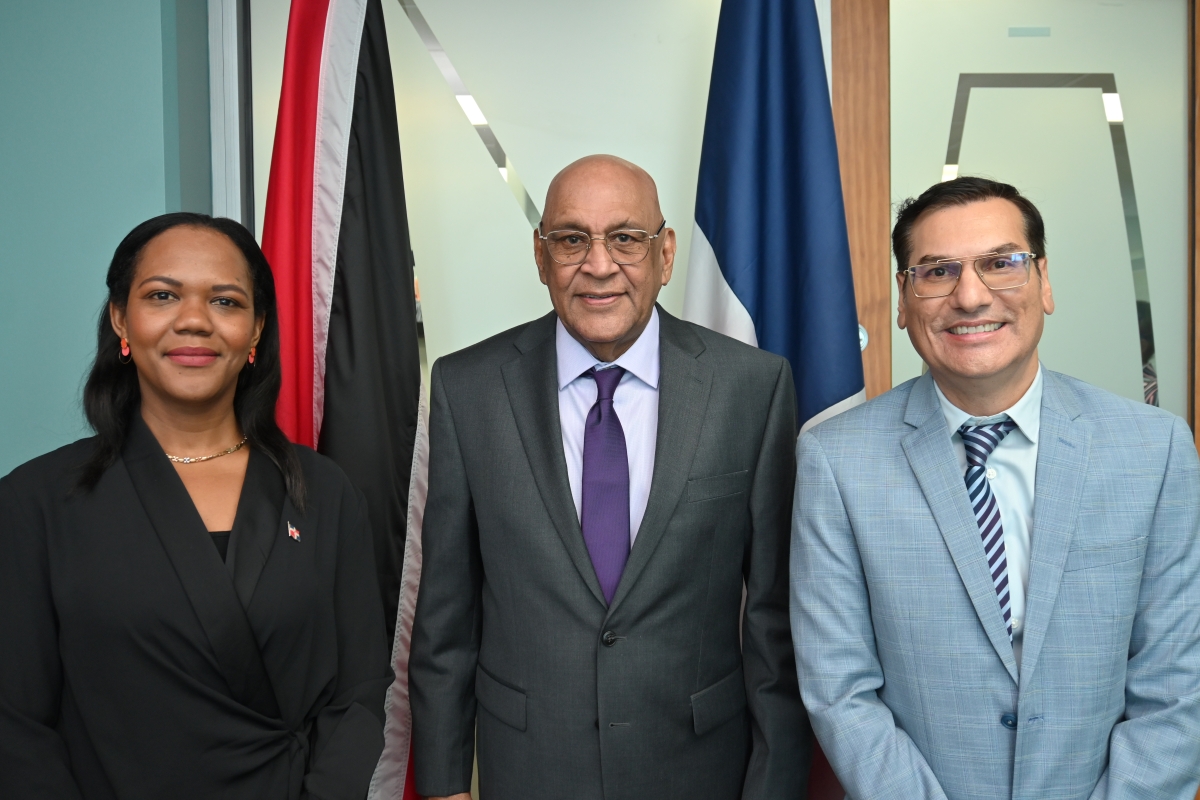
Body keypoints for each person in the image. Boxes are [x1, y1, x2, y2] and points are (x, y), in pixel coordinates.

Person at [409, 155, 811, 800]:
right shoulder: (468, 389)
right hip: (531, 767)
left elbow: (775, 623)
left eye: (625, 238)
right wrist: (445, 784)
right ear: (541, 258)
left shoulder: (752, 387)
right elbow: (445, 620)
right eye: (571, 239)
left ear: (666, 253)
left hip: (700, 768)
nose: (599, 265)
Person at [791, 176, 1200, 799]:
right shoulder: (836, 460)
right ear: (903, 301)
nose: (971, 296)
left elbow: (1178, 686)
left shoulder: (1156, 450)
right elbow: (840, 691)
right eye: (937, 272)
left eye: (1002, 264)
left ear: (1045, 282)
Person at [0, 213, 392, 799]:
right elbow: (16, 726)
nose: (193, 321)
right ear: (120, 319)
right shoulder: (35, 500)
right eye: (162, 296)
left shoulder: (324, 492)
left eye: (226, 302)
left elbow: (359, 695)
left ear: (256, 330)